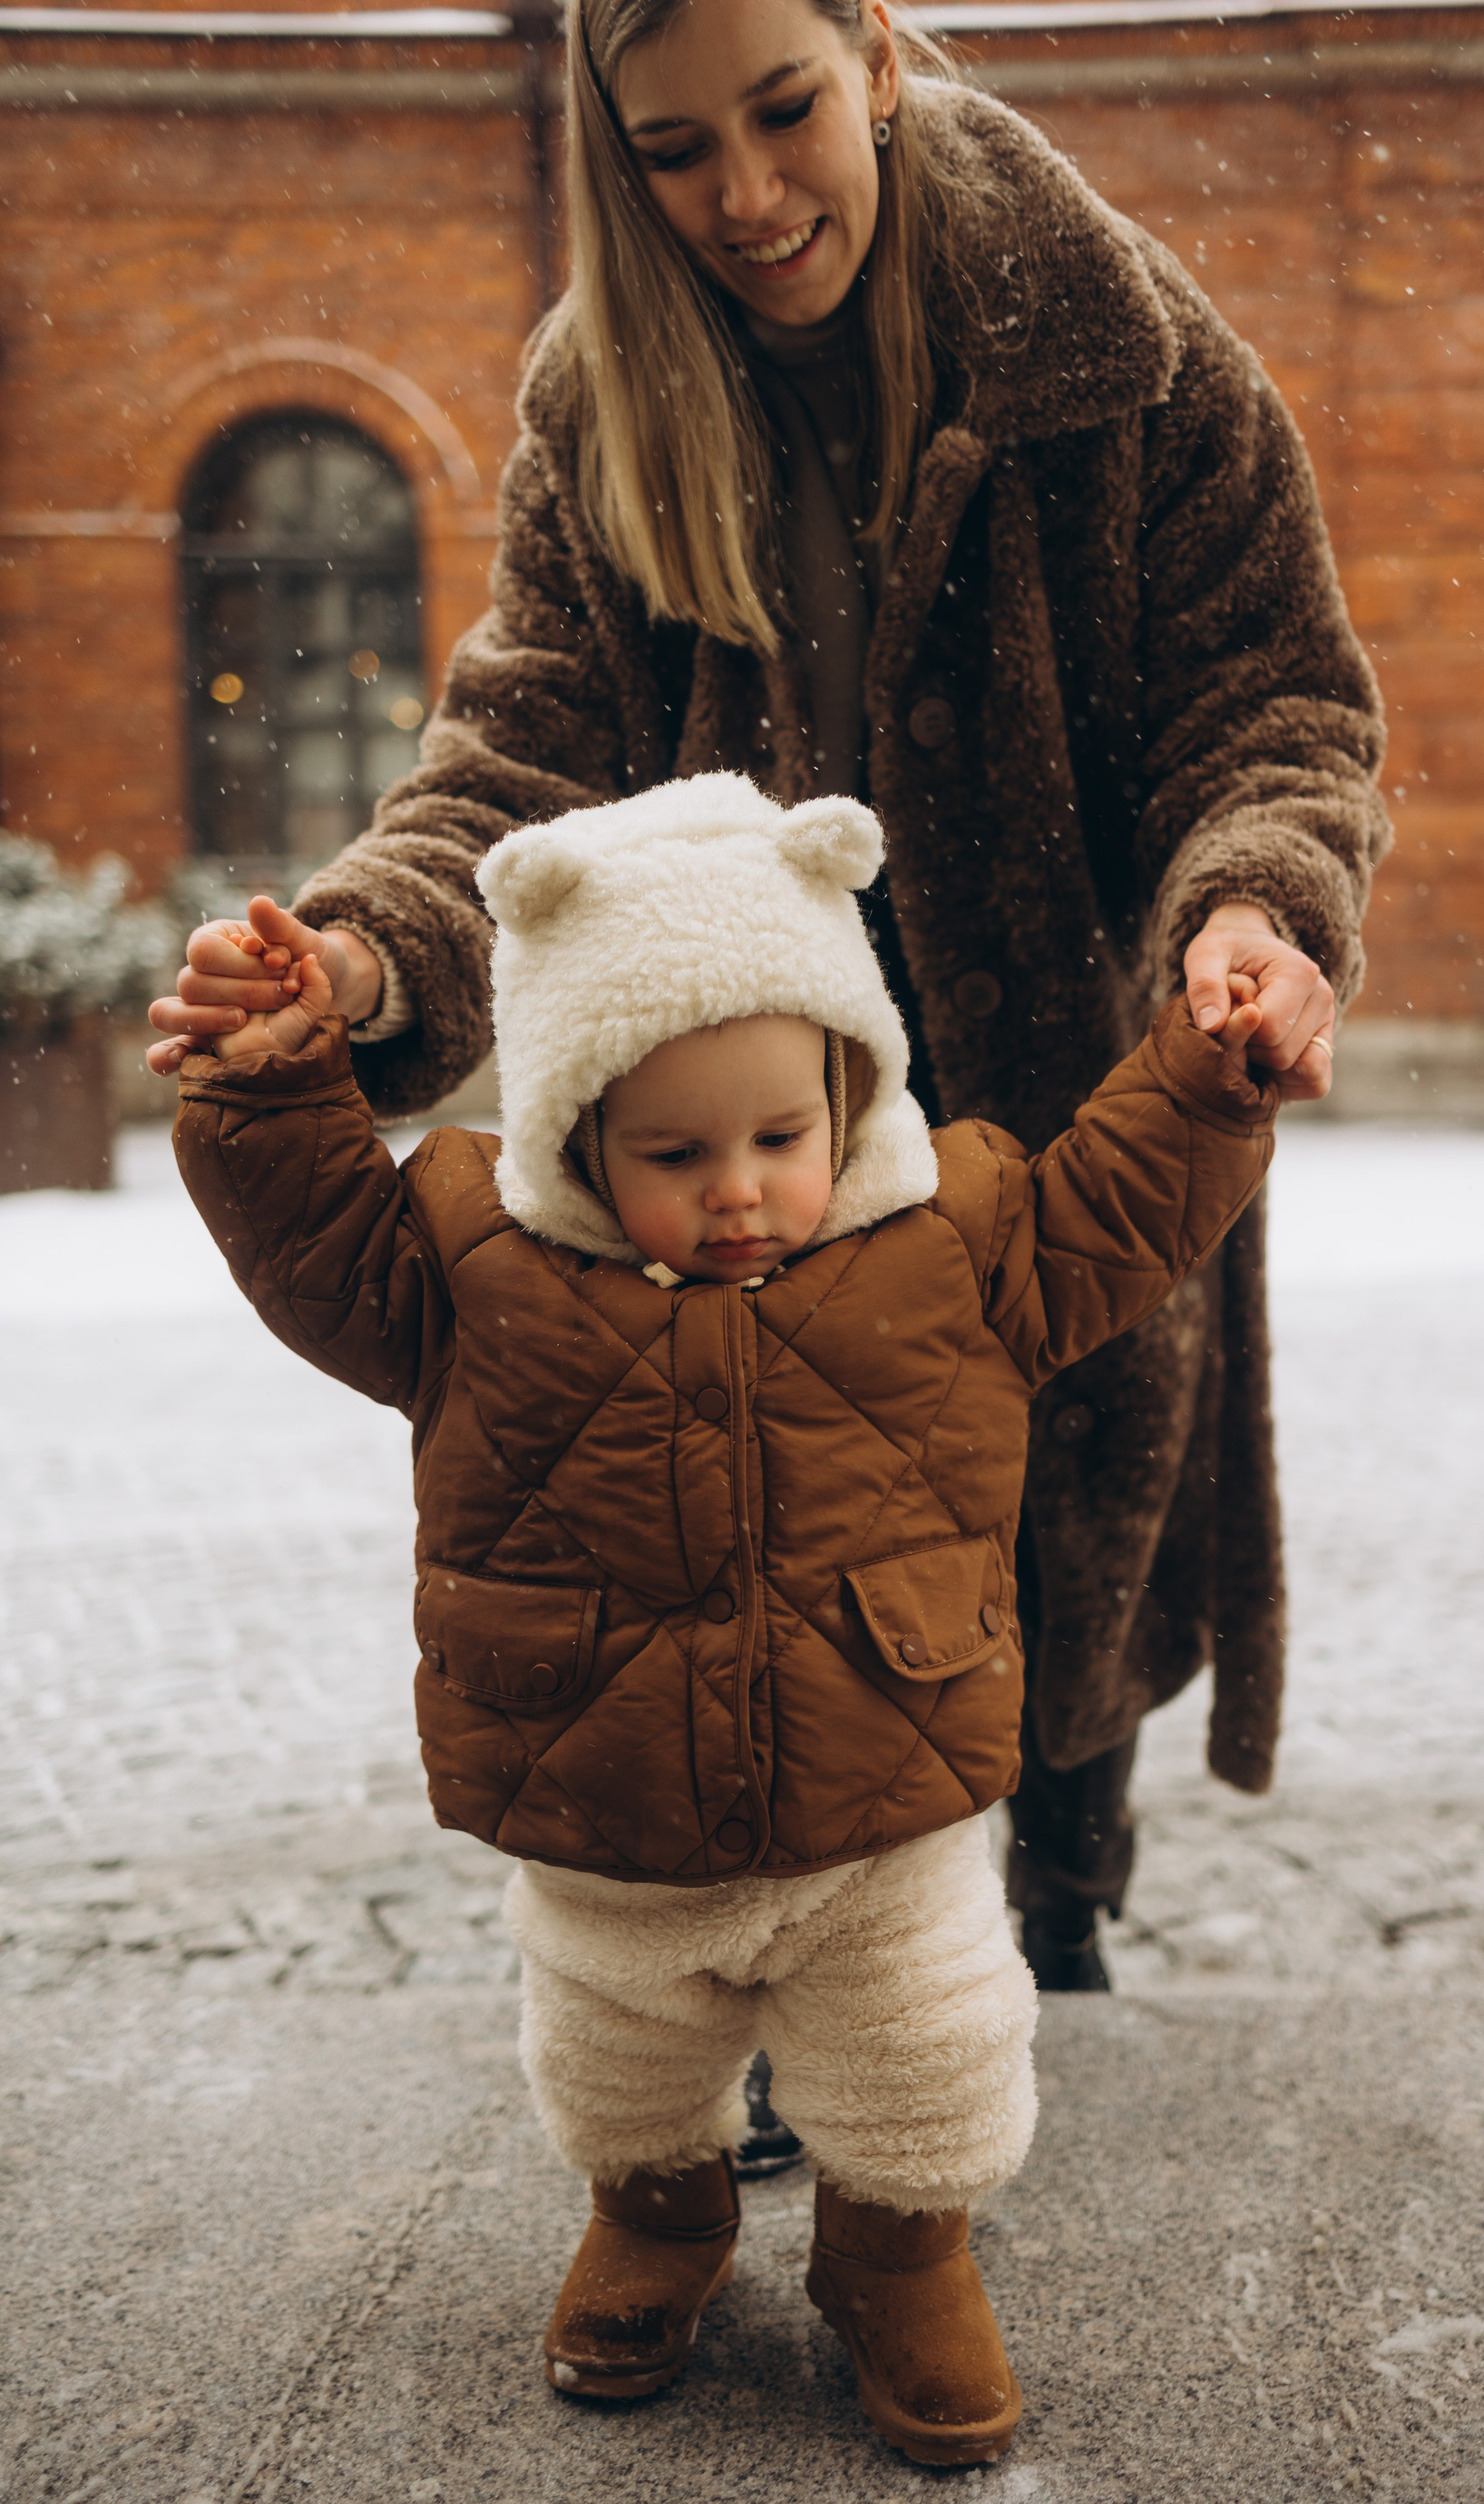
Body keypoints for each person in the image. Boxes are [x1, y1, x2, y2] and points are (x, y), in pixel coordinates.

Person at [149, 0, 1389, 2033]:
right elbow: (517, 751)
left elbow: (1276, 702)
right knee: (747, 1556)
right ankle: (749, 1983)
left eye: (785, 108)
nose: (742, 195)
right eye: (670, 149)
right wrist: (361, 959)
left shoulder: (1124, 354)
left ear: (881, 59)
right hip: (722, 1109)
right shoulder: (606, 399)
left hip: (1057, 1085)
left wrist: (1253, 912)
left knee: (1055, 1524)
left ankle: (1059, 1890)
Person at [170, 771, 1279, 2463]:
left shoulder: (954, 1242)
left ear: (853, 1088)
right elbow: (320, 1238)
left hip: (878, 1807)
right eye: (675, 1154)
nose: (744, 1189)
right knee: (618, 2061)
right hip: (610, 1814)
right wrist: (274, 1097)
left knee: (923, 2058)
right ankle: (660, 2218)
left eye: (781, 1136)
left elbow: (1116, 1206)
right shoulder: (472, 1276)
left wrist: (1207, 1081)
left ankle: (896, 2253)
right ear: (576, 1136)